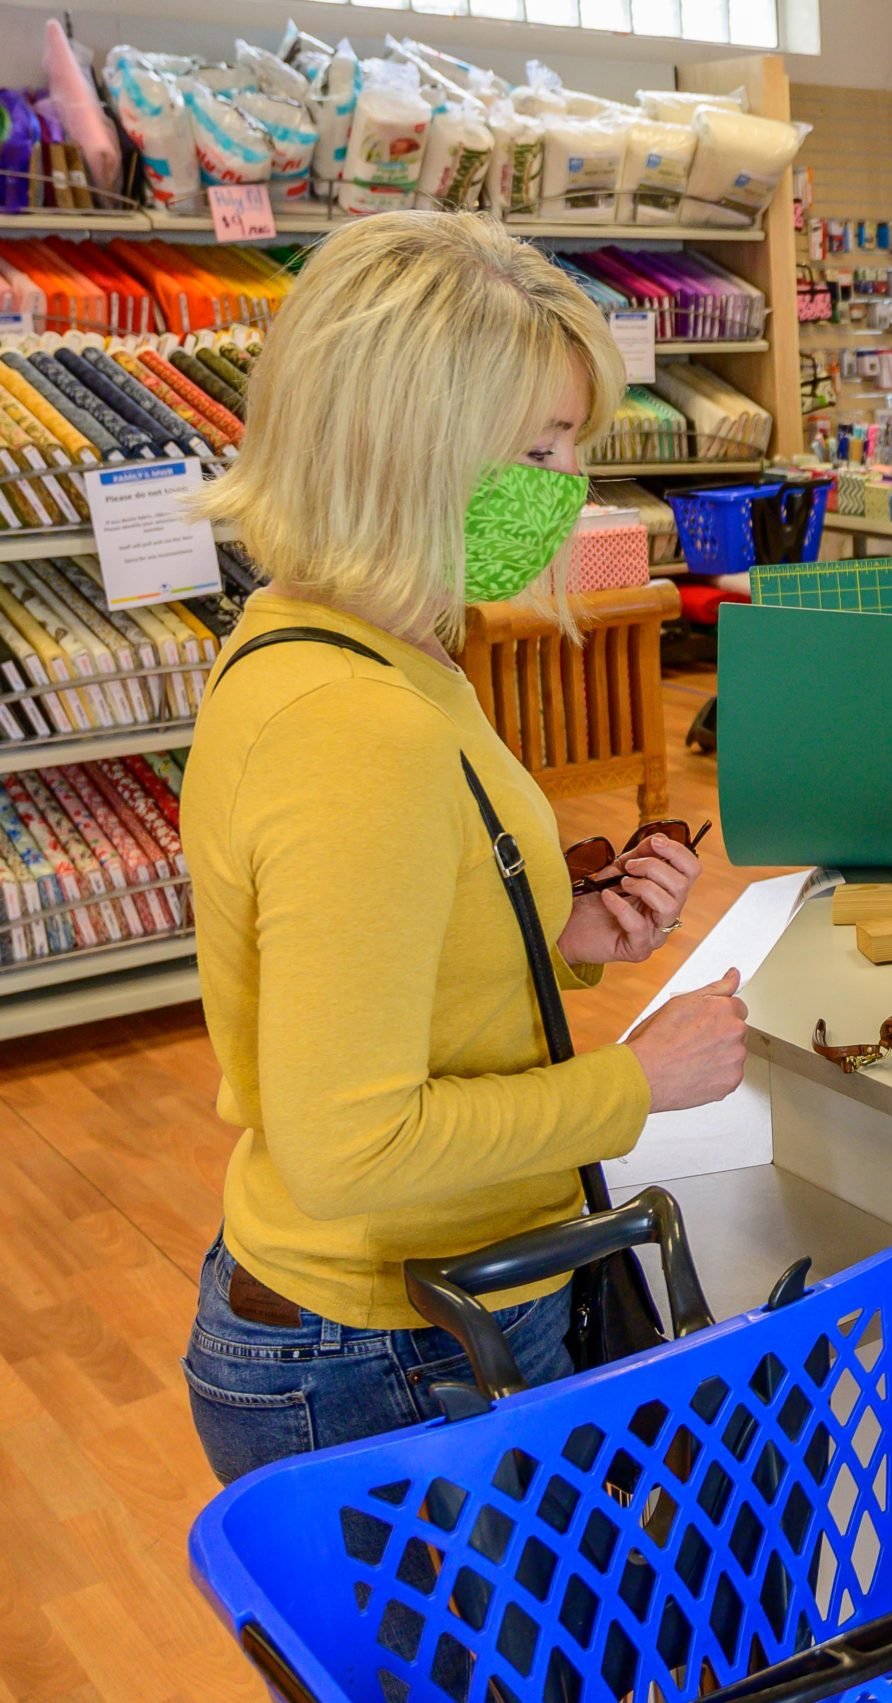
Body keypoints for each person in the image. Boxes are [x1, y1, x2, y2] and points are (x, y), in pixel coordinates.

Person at [180, 214, 751, 1484]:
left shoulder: (355, 641)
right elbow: (352, 1142)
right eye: (539, 448)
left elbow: (383, 942)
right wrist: (637, 1080)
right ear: (410, 451)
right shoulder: (353, 723)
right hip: (388, 1348)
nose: (565, 487)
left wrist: (559, 932)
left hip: (410, 1312)